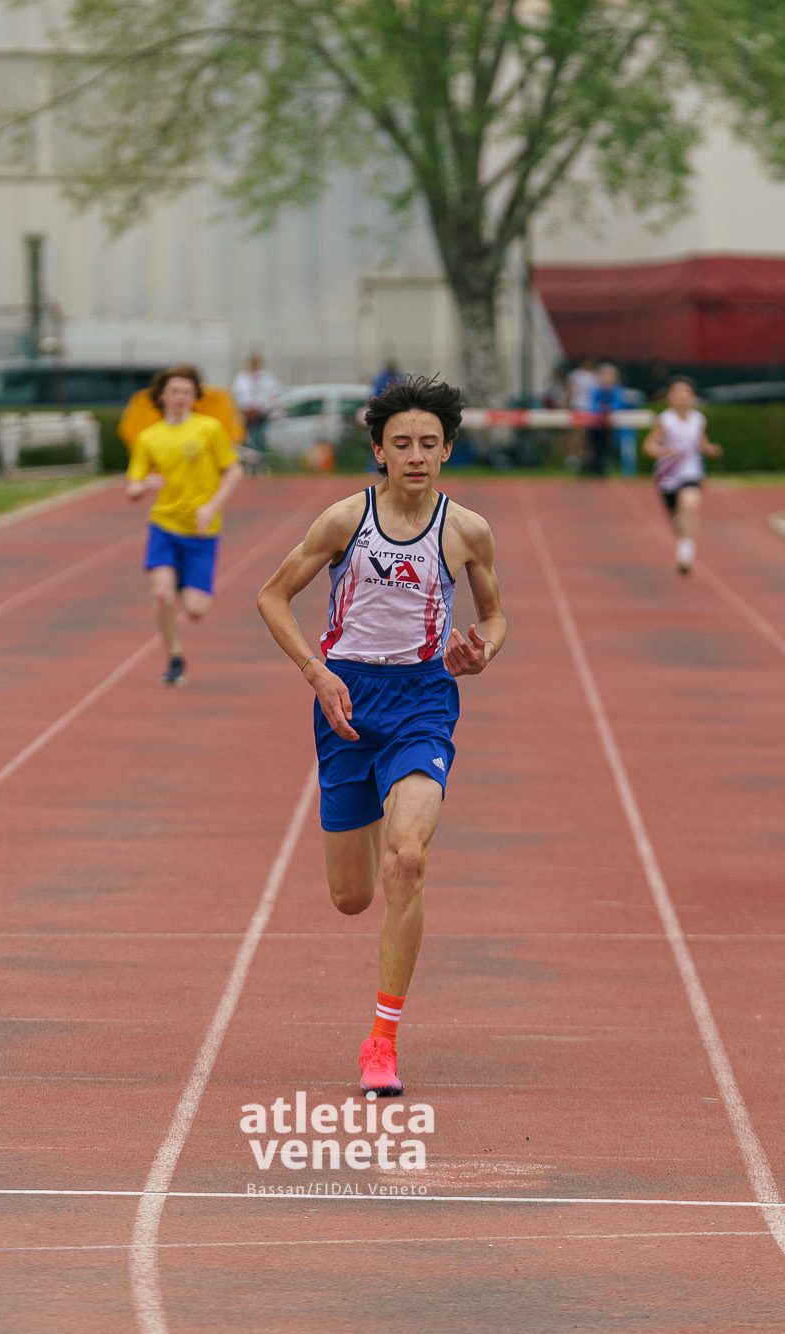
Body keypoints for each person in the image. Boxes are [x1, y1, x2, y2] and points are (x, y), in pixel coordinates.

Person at [254, 375, 507, 1098]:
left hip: (423, 700)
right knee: (351, 897)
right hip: (345, 702)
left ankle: (382, 1041)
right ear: (379, 451)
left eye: (429, 443)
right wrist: (315, 672)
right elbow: (273, 596)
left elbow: (494, 616)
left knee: (408, 860)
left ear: (448, 449)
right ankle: (368, 805)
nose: (416, 456)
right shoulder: (344, 521)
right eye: (402, 444)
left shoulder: (467, 531)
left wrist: (482, 651)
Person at [129, 364, 243, 686]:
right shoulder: (149, 437)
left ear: (194, 397)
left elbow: (234, 471)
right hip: (164, 525)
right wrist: (143, 486)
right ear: (162, 396)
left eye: (187, 392)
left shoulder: (209, 428)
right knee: (161, 594)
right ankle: (175, 657)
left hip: (201, 531)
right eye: (175, 391)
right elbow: (132, 487)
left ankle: (180, 582)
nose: (180, 397)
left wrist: (211, 507)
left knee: (196, 610)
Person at [643, 375, 723, 574]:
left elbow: (701, 442)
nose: (681, 397)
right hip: (668, 475)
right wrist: (663, 451)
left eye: (685, 393)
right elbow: (649, 445)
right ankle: (682, 535)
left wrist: (710, 449)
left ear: (692, 397)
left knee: (691, 503)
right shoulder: (666, 420)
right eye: (676, 393)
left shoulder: (698, 419)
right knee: (677, 519)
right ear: (669, 397)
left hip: (691, 470)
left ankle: (685, 553)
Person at [231, 353, 284, 460]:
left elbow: (276, 393)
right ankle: (251, 460)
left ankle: (261, 460)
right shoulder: (242, 377)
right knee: (247, 438)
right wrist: (245, 408)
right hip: (247, 414)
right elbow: (236, 394)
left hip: (261, 414)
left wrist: (263, 407)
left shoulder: (267, 377)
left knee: (260, 437)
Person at [584, 362, 625, 476]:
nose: (606, 378)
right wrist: (601, 410)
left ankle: (600, 466)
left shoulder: (617, 389)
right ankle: (594, 466)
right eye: (604, 375)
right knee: (594, 446)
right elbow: (592, 405)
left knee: (608, 446)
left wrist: (608, 409)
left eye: (609, 375)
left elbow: (619, 405)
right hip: (596, 425)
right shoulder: (596, 389)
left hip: (611, 426)